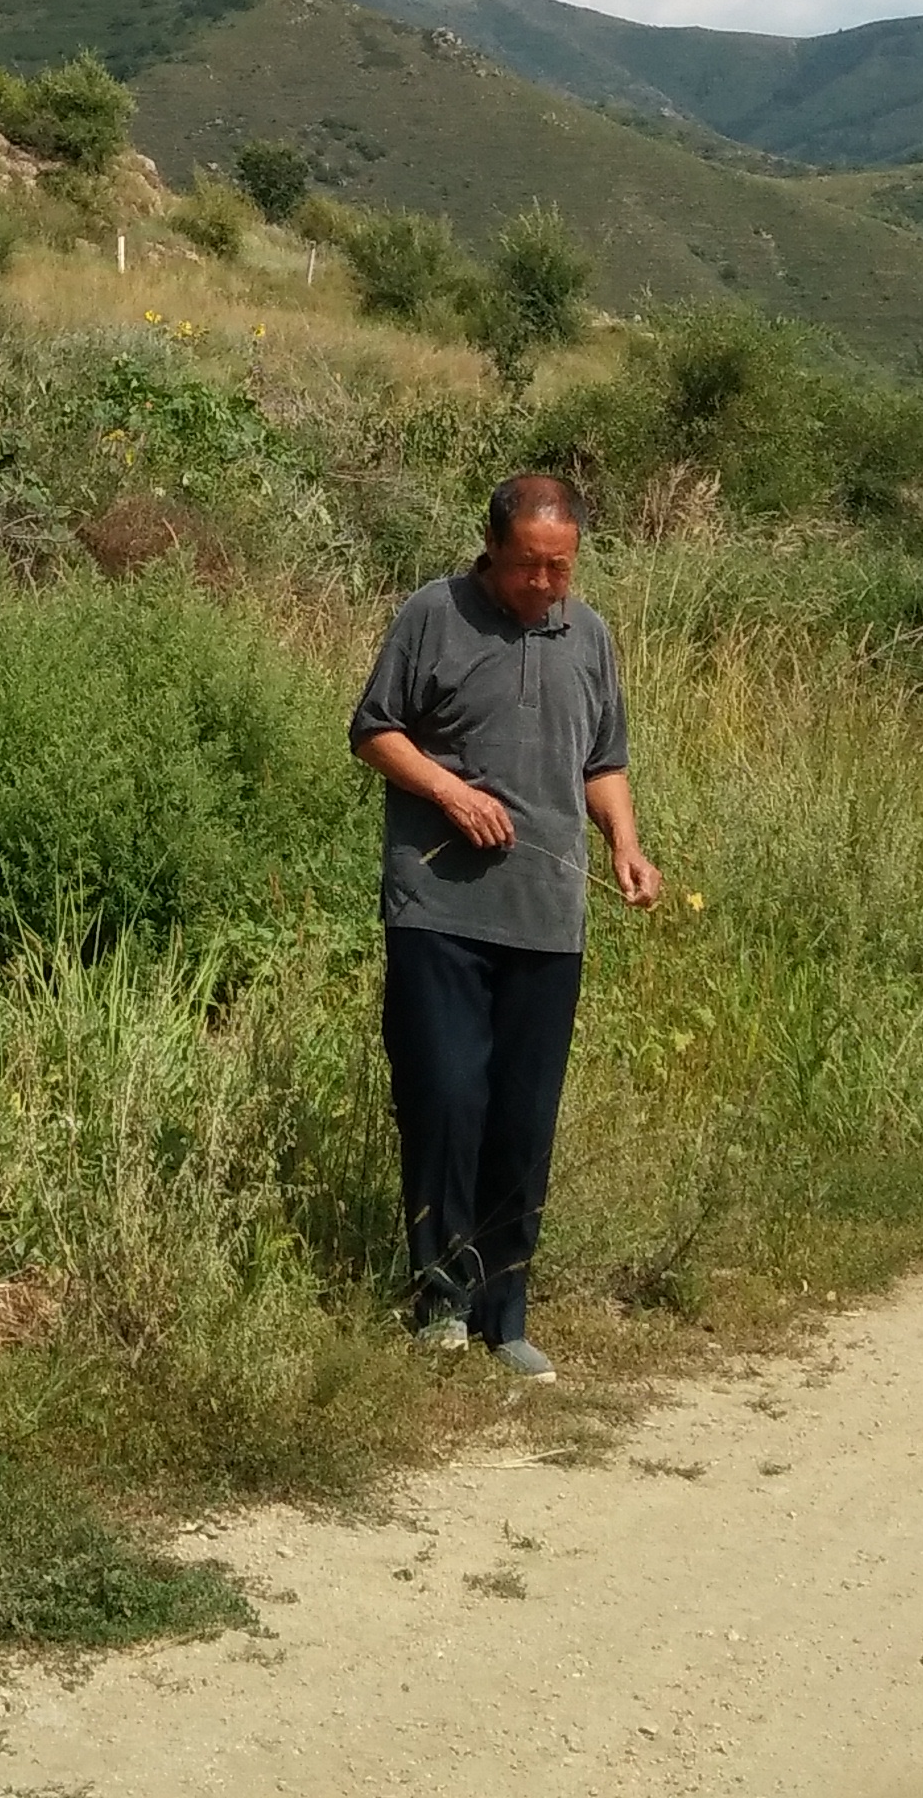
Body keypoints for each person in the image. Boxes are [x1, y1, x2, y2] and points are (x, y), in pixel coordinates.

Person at [351, 468, 661, 1382]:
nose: (544, 585)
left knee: (523, 1120)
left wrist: (627, 845)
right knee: (447, 1099)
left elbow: (603, 759)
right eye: (529, 566)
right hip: (437, 908)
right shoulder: (432, 615)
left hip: (547, 917)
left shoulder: (590, 636)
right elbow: (375, 731)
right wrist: (449, 790)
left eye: (560, 568)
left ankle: (504, 1313)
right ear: (491, 548)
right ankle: (440, 1303)